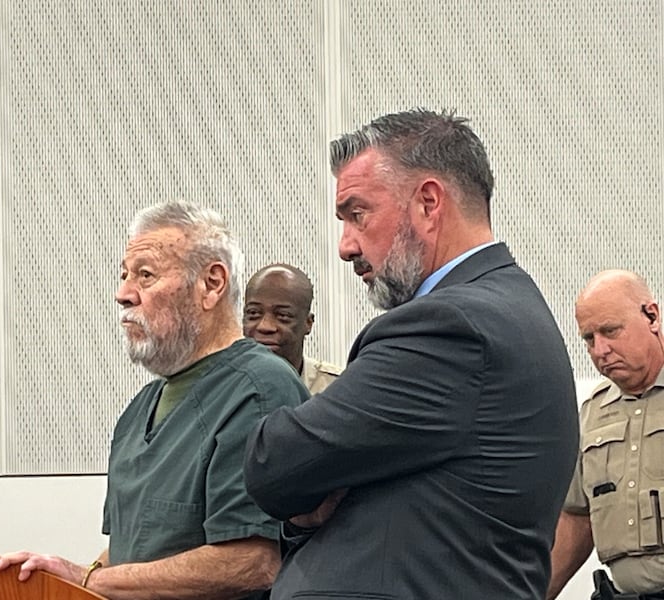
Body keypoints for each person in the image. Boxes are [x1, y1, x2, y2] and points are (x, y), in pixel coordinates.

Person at [243, 109, 579, 599]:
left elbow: (273, 463)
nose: (345, 246)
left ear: (427, 203)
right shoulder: (496, 310)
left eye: (357, 214)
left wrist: (311, 487)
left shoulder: (451, 328)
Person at [0, 201, 309, 599]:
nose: (123, 294)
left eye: (145, 275)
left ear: (212, 284)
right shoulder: (141, 409)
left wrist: (87, 580)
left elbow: (252, 561)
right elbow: (135, 551)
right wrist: (62, 580)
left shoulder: (259, 390)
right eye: (124, 276)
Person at [547, 270, 664, 600]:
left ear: (651, 316)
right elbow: (576, 519)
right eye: (589, 338)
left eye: (611, 331)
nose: (600, 350)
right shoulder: (594, 412)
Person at [243, 263, 342, 394]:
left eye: (283, 315)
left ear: (308, 323)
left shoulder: (337, 388)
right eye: (254, 313)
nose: (265, 326)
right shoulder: (219, 386)